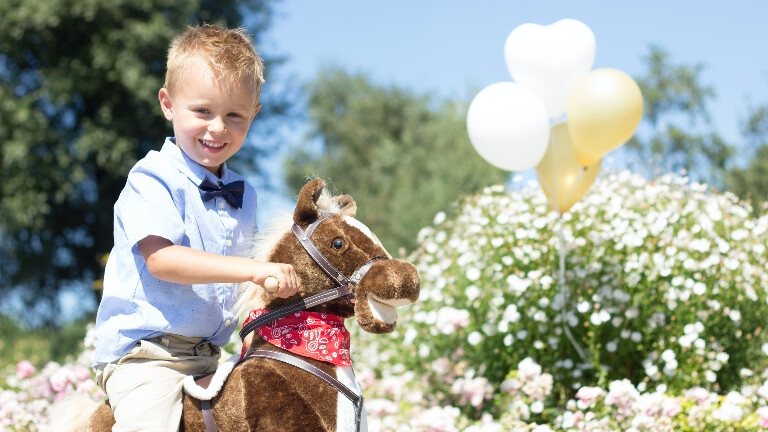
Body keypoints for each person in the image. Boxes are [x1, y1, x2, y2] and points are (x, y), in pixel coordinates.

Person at [92, 24, 299, 431]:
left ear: (253, 115)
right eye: (202, 111)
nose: (218, 127)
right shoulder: (153, 178)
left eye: (234, 115)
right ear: (168, 104)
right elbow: (163, 261)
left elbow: (239, 288)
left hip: (208, 356)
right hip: (148, 356)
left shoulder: (246, 194)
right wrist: (254, 270)